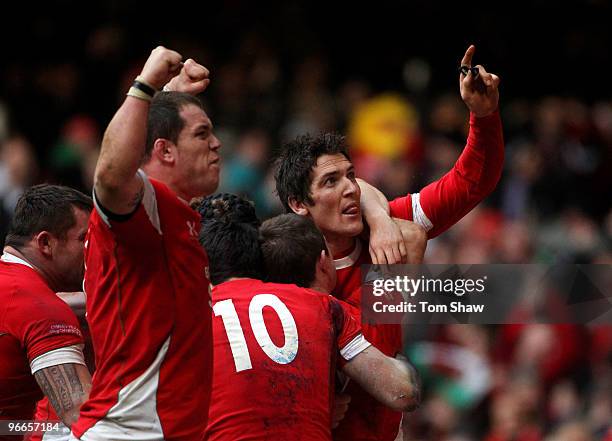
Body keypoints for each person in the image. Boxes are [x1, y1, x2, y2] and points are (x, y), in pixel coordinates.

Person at [274, 45, 503, 441]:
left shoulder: (387, 223)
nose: (348, 189)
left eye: (350, 176)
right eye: (331, 182)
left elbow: (469, 184)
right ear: (298, 204)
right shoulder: (276, 264)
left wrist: (483, 118)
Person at [71, 46, 219, 441]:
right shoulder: (147, 208)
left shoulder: (175, 218)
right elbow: (110, 177)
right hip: (129, 433)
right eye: (203, 134)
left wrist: (168, 94)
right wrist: (145, 85)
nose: (217, 144)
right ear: (164, 151)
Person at [196, 193, 420, 441]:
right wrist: (376, 218)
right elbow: (402, 391)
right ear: (324, 262)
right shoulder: (326, 308)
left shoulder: (192, 318)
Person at [0, 184, 93, 440]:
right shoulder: (39, 306)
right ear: (45, 243)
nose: (93, 252)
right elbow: (84, 420)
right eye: (84, 239)